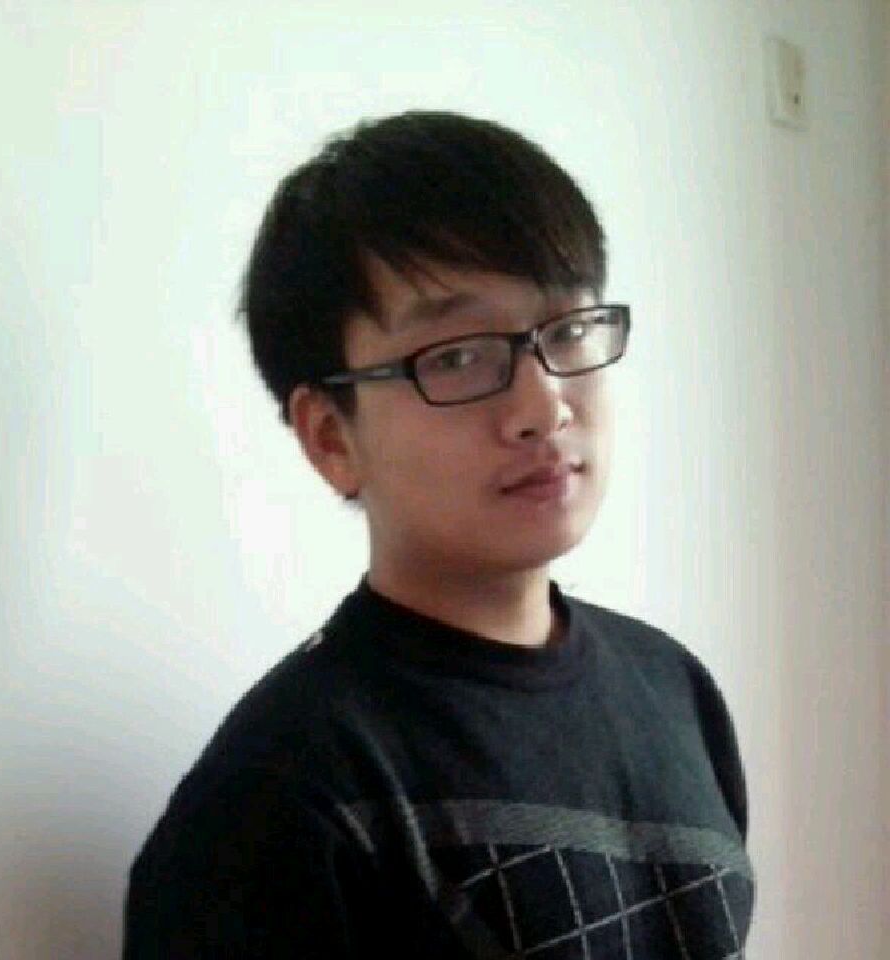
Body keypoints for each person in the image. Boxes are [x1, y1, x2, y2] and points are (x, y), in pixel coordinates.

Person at [122, 110, 755, 959]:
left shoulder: (672, 688)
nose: (542, 406)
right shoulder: (282, 794)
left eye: (568, 331)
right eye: (457, 356)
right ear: (332, 437)